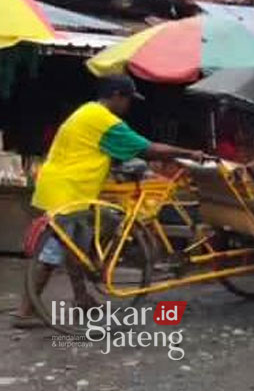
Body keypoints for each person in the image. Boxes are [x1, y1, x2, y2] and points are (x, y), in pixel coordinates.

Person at [12, 75, 205, 328]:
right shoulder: (103, 121)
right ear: (116, 95)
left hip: (68, 188)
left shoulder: (87, 112)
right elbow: (147, 149)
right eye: (127, 100)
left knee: (76, 250)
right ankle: (25, 312)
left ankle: (81, 298)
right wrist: (189, 153)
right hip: (66, 192)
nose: (128, 106)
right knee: (52, 254)